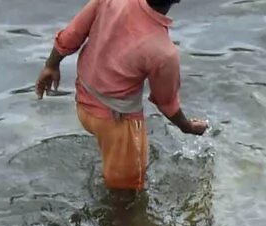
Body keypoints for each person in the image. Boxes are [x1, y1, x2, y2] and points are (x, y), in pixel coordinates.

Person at [40, 0, 208, 198]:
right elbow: (166, 103)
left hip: (83, 102)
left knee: (118, 180)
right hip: (117, 124)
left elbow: (72, 34)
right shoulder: (164, 52)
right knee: (127, 196)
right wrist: (186, 126)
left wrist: (51, 65)